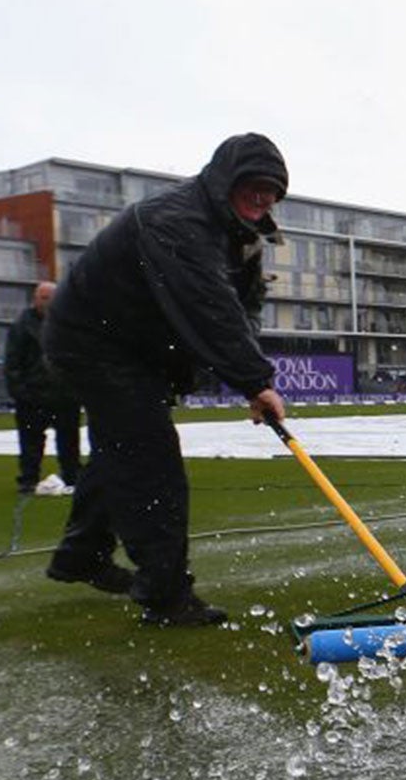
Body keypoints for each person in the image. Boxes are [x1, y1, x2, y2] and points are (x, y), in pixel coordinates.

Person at [41, 133, 289, 627]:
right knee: (148, 456)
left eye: (273, 191)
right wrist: (253, 380)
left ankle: (81, 556)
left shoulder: (242, 235)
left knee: (123, 448)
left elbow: (243, 311)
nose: (263, 198)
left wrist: (248, 374)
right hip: (93, 340)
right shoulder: (177, 221)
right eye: (254, 186)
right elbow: (207, 305)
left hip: (138, 349)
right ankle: (166, 594)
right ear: (225, 182)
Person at [4, 280, 82, 495]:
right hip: (33, 394)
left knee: (69, 442)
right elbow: (13, 361)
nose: (48, 302)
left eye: (51, 298)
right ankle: (28, 480)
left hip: (64, 394)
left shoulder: (69, 323)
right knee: (31, 443)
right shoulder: (21, 326)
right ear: (35, 299)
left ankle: (72, 477)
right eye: (44, 297)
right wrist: (20, 392)